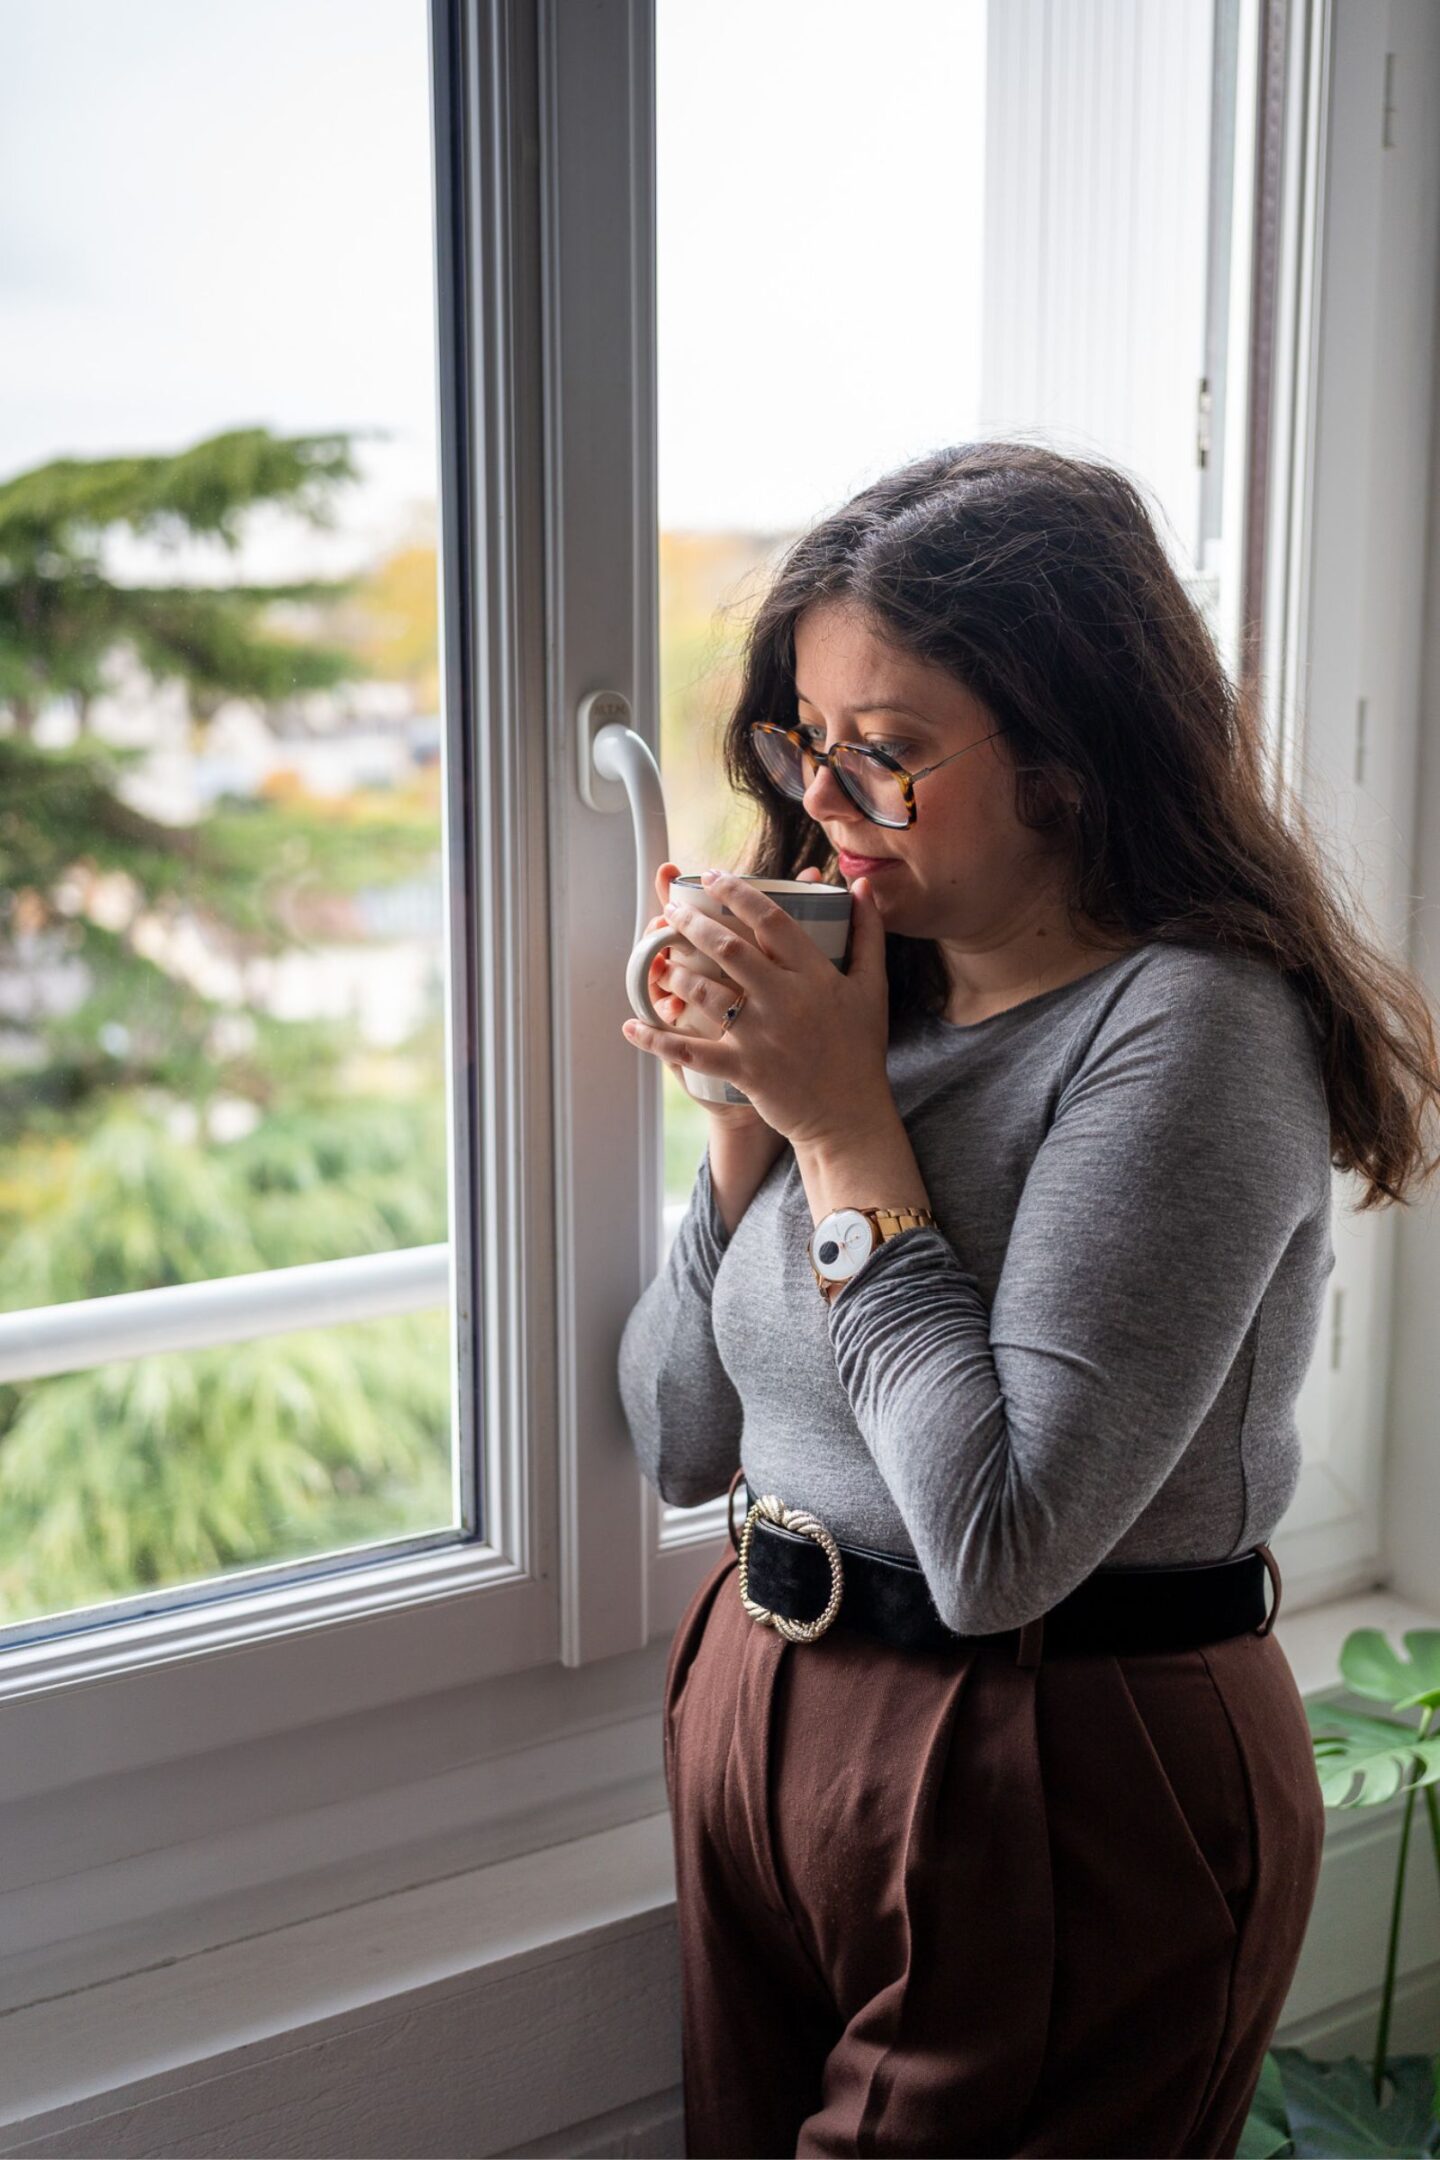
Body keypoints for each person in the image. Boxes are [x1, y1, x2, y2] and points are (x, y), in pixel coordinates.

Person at [615, 442, 1440, 2159]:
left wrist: (841, 1129)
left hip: (1051, 1771)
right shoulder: (869, 1002)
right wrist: (738, 1132)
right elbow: (683, 1438)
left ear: (1071, 757)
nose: (829, 803)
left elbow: (1001, 1545)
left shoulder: (1193, 1031)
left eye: (890, 755)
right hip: (763, 1718)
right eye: (806, 743)